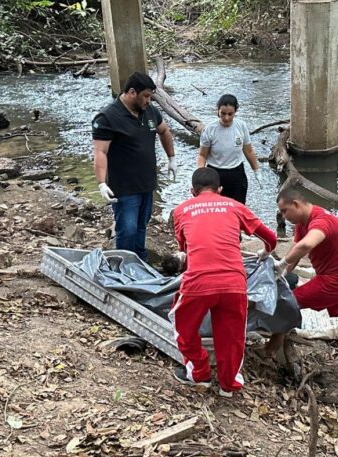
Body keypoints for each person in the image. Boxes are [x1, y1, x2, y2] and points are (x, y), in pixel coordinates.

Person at [170, 167, 277, 397]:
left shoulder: (180, 210)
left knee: (183, 328)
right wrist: (265, 253)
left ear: (192, 191)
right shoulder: (235, 206)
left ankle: (199, 374)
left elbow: (184, 249)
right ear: (220, 190)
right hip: (234, 284)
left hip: (198, 283)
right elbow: (271, 238)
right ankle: (228, 385)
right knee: (232, 336)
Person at [266, 186, 338, 378]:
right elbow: (296, 253)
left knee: (287, 304)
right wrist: (281, 275)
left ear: (296, 204)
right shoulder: (302, 223)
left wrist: (281, 263)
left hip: (337, 280)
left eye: (284, 211)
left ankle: (269, 351)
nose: (283, 216)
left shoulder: (321, 221)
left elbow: (307, 245)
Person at [92, 71, 177, 261]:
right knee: (127, 229)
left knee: (141, 225)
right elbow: (100, 152)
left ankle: (140, 261)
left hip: (146, 183)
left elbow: (164, 131)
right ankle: (123, 265)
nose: (149, 100)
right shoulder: (107, 118)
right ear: (131, 92)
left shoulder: (150, 112)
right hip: (124, 187)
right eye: (146, 96)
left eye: (151, 96)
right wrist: (101, 183)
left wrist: (171, 158)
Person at [196, 94, 259, 204]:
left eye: (230, 114)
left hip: (237, 173)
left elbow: (248, 150)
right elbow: (202, 155)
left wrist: (256, 170)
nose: (226, 118)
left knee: (238, 208)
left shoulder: (241, 126)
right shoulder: (210, 129)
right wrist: (200, 175)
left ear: (235, 112)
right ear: (218, 111)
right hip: (215, 173)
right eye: (223, 114)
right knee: (217, 208)